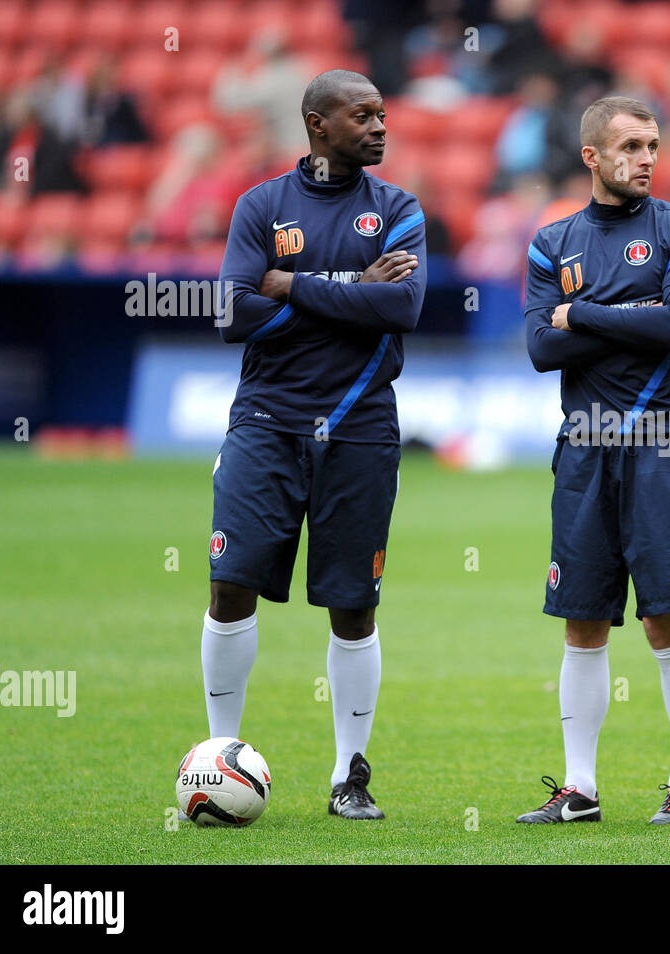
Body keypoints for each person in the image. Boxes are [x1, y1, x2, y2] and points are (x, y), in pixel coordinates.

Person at [200, 69, 426, 821]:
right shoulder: (261, 205)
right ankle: (218, 756)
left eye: (382, 114)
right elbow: (232, 313)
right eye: (361, 116)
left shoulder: (397, 208)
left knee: (352, 604)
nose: (379, 126)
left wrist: (291, 284)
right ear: (317, 124)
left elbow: (399, 305)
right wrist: (350, 290)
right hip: (265, 421)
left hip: (361, 426)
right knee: (230, 584)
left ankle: (348, 777)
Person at [520, 96, 670, 825]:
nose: (647, 158)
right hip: (584, 448)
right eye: (631, 145)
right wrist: (636, 313)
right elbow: (542, 348)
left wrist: (586, 313)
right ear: (593, 157)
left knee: (667, 619)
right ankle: (580, 788)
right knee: (581, 621)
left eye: (654, 145)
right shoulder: (552, 241)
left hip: (663, 443)